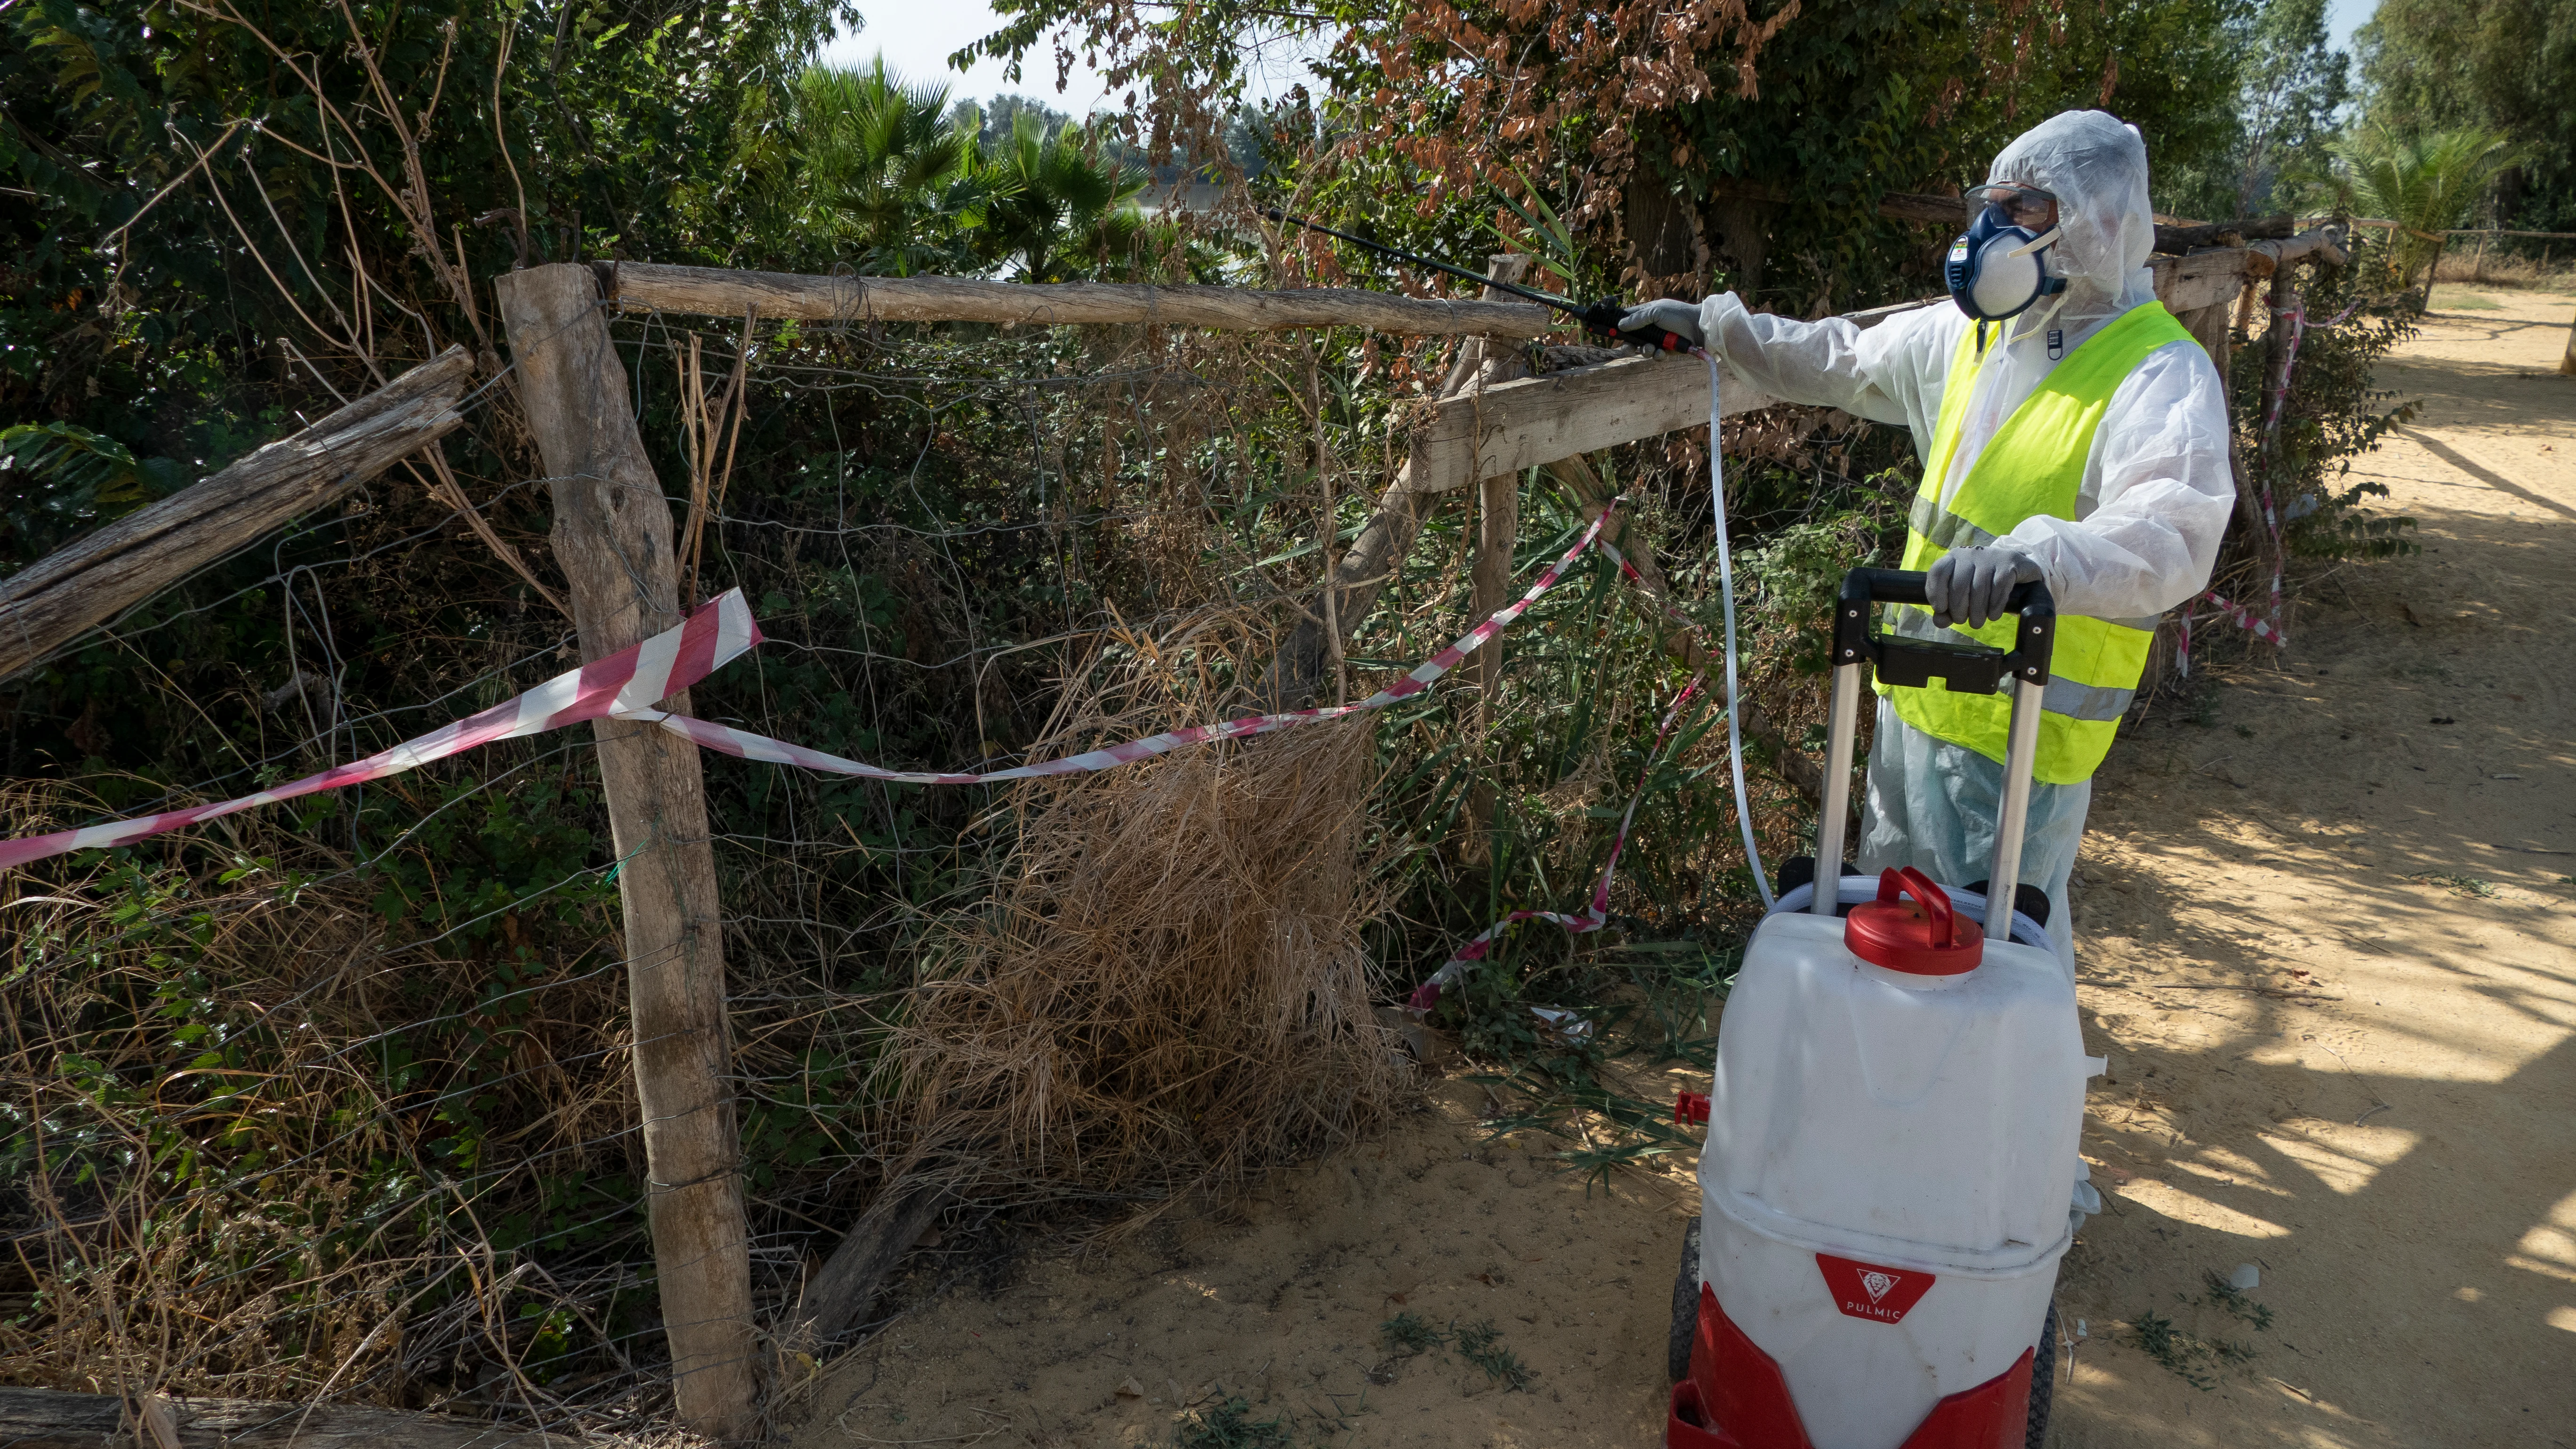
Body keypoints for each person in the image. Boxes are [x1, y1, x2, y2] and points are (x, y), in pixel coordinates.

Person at [1622, 110, 2234, 976]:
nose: (1994, 231)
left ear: (2100, 220)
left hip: (2020, 738)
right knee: (1888, 943)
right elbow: (1841, 358)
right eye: (1995, 204)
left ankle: (1997, 1110)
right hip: (1913, 712)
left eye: (2026, 207)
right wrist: (1715, 326)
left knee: (1993, 970)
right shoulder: (1977, 339)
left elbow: (2175, 526)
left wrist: (2038, 559)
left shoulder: (2158, 371)